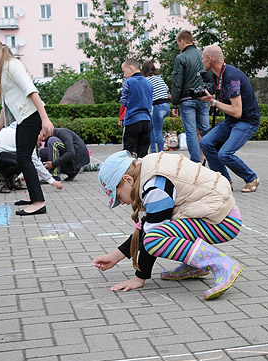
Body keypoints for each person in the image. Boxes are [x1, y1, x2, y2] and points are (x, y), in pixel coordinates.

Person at [92, 150, 244, 300]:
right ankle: (195, 265)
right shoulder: (148, 170)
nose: (123, 202)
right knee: (161, 229)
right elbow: (148, 225)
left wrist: (139, 278)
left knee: (154, 239)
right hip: (220, 216)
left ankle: (222, 264)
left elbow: (151, 234)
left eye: (118, 196)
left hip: (222, 222)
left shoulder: (154, 188)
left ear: (128, 180)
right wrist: (116, 256)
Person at [0, 37, 54, 216]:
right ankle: (33, 197)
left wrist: (45, 119)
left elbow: (32, 91)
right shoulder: (5, 69)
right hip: (24, 118)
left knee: (23, 159)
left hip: (32, 116)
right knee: (23, 158)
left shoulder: (12, 66)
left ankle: (38, 202)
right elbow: (7, 105)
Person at [198, 45, 260, 193]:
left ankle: (251, 178)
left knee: (224, 154)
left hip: (246, 121)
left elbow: (237, 111)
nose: (202, 62)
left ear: (210, 59)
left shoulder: (231, 77)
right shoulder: (217, 75)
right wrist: (211, 99)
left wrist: (213, 102)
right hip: (232, 121)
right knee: (206, 142)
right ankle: (225, 182)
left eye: (203, 59)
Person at [0, 122, 63, 194]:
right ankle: (1, 179)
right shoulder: (26, 135)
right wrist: (52, 181)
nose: (43, 139)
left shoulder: (22, 129)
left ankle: (12, 180)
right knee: (24, 161)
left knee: (22, 159)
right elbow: (35, 161)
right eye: (43, 135)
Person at [171, 30, 210, 164]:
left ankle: (196, 162)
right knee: (206, 130)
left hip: (186, 100)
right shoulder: (203, 55)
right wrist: (211, 96)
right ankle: (211, 159)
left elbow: (177, 83)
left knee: (191, 131)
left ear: (182, 41)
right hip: (203, 98)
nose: (179, 47)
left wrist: (174, 104)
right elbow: (210, 77)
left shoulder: (181, 58)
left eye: (178, 43)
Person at [120, 58, 153, 158]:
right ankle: (142, 171)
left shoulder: (128, 82)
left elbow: (124, 101)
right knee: (143, 151)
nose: (124, 75)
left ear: (131, 68)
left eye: (124, 71)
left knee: (128, 151)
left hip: (132, 120)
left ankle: (130, 171)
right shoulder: (149, 83)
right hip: (146, 120)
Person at [142, 60, 171, 153]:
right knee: (152, 127)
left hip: (158, 106)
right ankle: (153, 150)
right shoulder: (159, 78)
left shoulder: (146, 80)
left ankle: (160, 152)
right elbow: (166, 89)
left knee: (157, 131)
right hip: (166, 106)